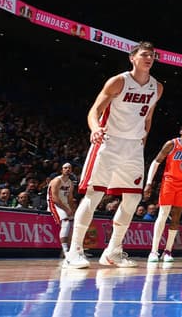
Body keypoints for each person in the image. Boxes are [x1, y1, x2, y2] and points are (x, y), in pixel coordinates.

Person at [64, 41, 163, 269]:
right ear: (133, 58)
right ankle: (74, 250)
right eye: (145, 54)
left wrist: (141, 144)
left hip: (133, 148)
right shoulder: (119, 81)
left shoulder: (157, 88)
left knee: (133, 199)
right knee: (94, 195)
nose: (150, 58)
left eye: (153, 55)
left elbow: (148, 118)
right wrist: (95, 128)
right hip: (109, 143)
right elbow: (95, 110)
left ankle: (113, 251)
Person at [143, 122, 182, 263]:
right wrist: (148, 183)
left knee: (176, 216)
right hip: (169, 182)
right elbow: (156, 162)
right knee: (163, 214)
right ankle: (154, 251)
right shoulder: (171, 144)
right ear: (180, 131)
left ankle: (168, 251)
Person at [47, 163, 78, 256]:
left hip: (64, 204)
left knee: (74, 223)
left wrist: (73, 210)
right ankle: (65, 250)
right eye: (65, 168)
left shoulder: (71, 183)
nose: (67, 169)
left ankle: (71, 249)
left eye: (69, 168)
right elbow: (55, 198)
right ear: (61, 170)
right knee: (66, 221)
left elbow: (70, 199)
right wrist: (66, 210)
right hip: (53, 203)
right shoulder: (57, 180)